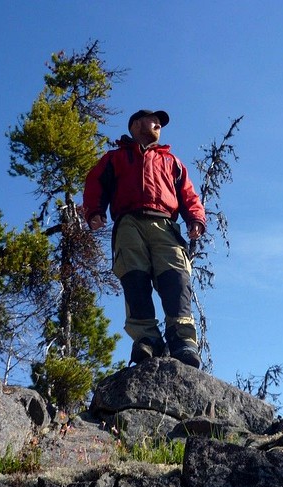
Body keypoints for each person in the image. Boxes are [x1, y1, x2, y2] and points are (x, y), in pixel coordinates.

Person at [83, 109, 206, 369]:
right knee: (134, 278)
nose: (159, 124)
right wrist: (94, 211)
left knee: (176, 278)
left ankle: (182, 341)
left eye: (160, 122)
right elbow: (95, 184)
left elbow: (189, 194)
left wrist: (195, 218)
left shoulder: (171, 161)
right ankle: (147, 339)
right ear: (137, 124)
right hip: (128, 223)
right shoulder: (115, 158)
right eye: (154, 120)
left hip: (165, 224)